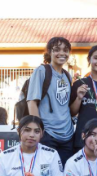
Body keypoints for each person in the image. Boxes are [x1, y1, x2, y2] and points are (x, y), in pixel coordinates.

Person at [27, 36, 74, 164]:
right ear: (49, 52)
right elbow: (31, 102)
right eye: (57, 49)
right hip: (48, 134)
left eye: (65, 50)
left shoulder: (67, 75)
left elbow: (66, 106)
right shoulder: (42, 71)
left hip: (68, 135)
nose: (62, 53)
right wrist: (38, 130)